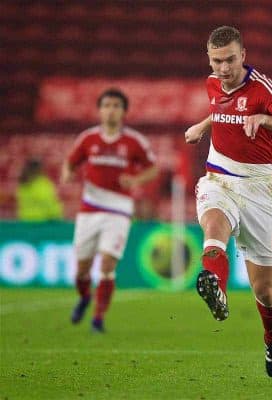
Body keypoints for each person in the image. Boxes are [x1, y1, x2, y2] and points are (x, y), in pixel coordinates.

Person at [183, 26, 272, 378]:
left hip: (257, 190)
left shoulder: (262, 89)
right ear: (209, 59)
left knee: (265, 289)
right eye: (216, 61)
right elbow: (222, 109)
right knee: (213, 222)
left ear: (244, 55)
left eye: (230, 60)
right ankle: (215, 285)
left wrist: (266, 118)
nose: (223, 68)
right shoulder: (212, 83)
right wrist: (203, 126)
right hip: (218, 178)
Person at [60, 88, 158, 332]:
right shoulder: (88, 139)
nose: (111, 110)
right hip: (89, 209)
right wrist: (67, 174)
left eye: (116, 105)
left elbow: (153, 168)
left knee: (107, 265)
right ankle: (84, 297)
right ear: (100, 110)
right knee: (82, 270)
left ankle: (98, 318)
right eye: (107, 105)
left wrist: (135, 181)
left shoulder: (134, 141)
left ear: (124, 111)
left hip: (119, 210)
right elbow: (70, 163)